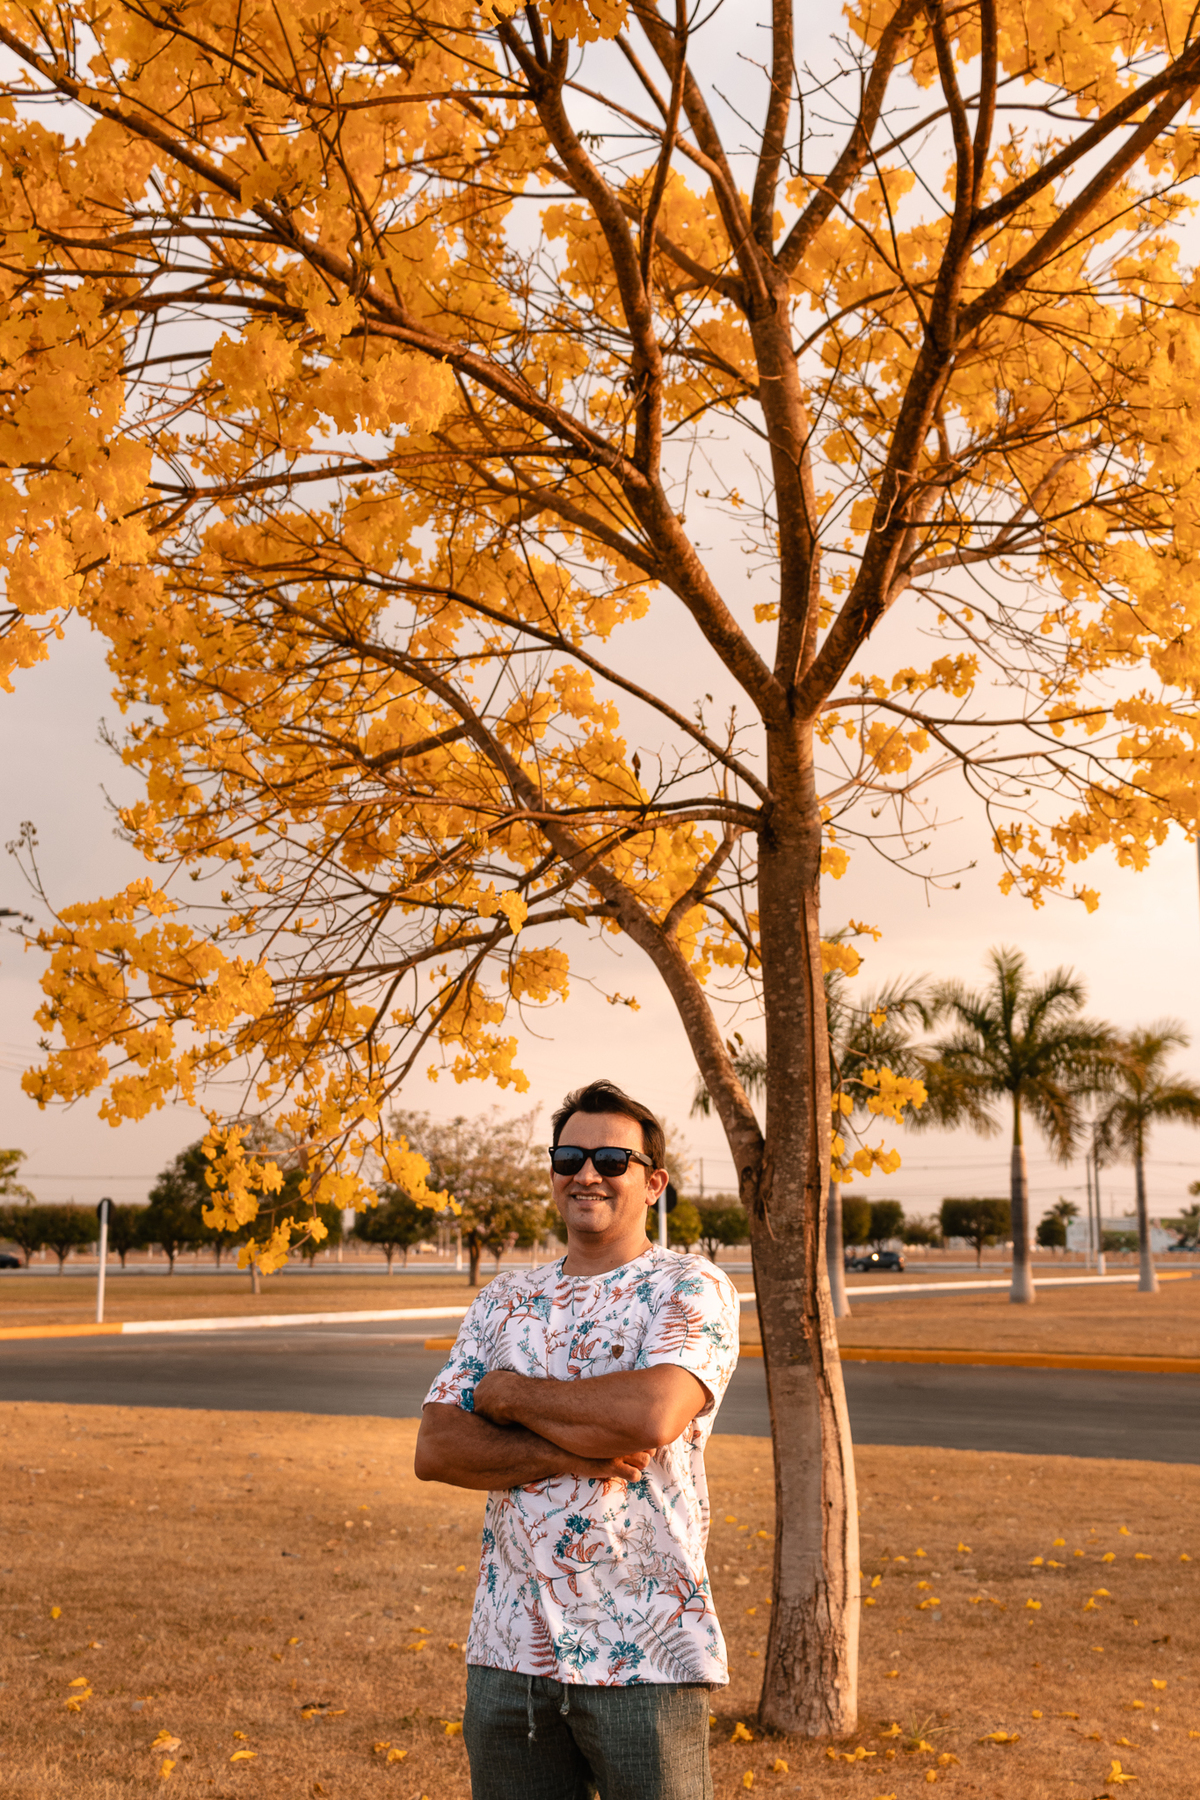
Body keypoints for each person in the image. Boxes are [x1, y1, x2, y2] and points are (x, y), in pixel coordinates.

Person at [415, 1077, 741, 1800]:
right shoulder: (504, 1300)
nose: (587, 1174)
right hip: (509, 1653)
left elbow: (653, 1415)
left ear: (653, 1183)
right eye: (569, 1159)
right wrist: (567, 1449)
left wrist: (507, 1396)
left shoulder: (691, 1287)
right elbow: (437, 1447)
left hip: (647, 1649)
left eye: (611, 1160)